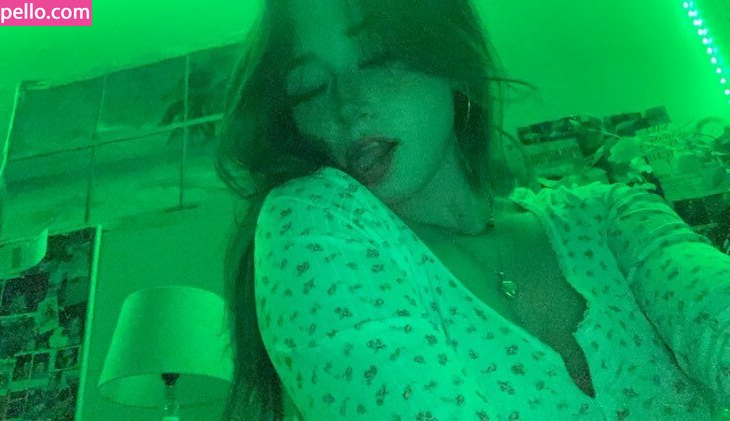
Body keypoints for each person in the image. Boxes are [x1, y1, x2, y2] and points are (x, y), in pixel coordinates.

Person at [214, 1, 730, 420]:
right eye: (310, 87)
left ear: (453, 64)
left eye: (376, 58)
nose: (348, 105)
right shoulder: (312, 232)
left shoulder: (610, 217)